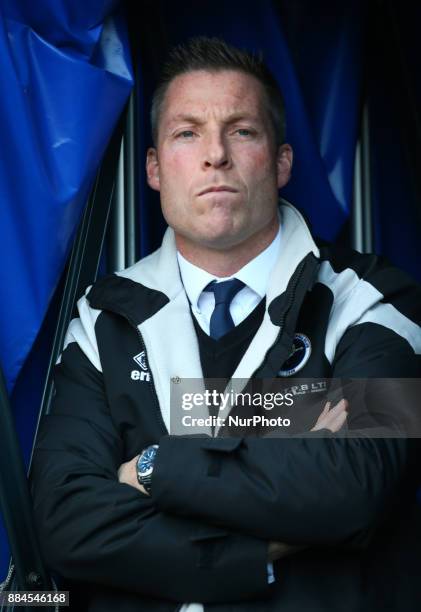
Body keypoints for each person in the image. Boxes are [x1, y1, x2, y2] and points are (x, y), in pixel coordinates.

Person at [31, 37, 421, 612]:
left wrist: (151, 465)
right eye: (187, 133)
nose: (215, 154)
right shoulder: (103, 319)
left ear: (283, 161)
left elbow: (357, 486)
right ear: (155, 168)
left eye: (242, 130)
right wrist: (257, 549)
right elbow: (65, 521)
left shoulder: (377, 299)